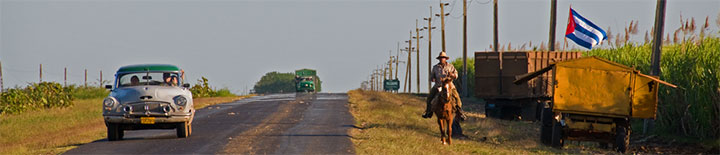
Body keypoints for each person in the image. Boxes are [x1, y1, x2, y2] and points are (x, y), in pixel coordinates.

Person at [422, 51, 467, 121]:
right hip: (438, 86)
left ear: (445, 59)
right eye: (440, 58)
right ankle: (428, 112)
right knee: (429, 97)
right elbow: (431, 77)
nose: (442, 59)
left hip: (449, 86)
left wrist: (452, 75)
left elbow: (456, 75)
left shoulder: (450, 66)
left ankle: (460, 112)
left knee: (457, 98)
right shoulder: (435, 67)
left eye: (443, 58)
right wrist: (433, 79)